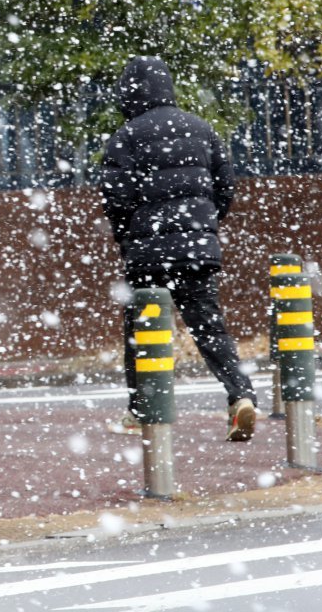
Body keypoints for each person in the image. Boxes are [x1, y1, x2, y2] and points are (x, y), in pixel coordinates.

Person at [100, 56, 258, 441]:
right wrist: (202, 227)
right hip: (195, 250)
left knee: (142, 332)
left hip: (147, 254)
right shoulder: (202, 130)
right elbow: (225, 187)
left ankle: (141, 410)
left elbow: (115, 198)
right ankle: (240, 396)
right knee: (209, 327)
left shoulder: (127, 137)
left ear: (130, 93)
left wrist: (129, 237)